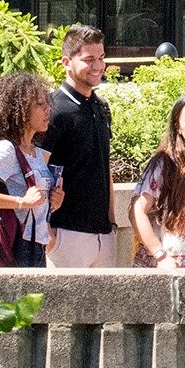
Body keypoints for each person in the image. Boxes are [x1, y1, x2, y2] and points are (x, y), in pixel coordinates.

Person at [0, 71, 61, 267]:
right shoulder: (6, 150)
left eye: (46, 102)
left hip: (37, 245)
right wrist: (22, 202)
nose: (47, 109)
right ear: (20, 109)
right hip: (18, 246)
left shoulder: (37, 153)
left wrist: (53, 201)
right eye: (39, 104)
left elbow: (36, 201)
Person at [40, 24, 121, 268]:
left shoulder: (101, 106)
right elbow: (36, 169)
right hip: (66, 234)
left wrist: (112, 222)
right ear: (66, 62)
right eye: (89, 60)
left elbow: (104, 167)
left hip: (104, 235)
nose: (98, 66)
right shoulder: (53, 110)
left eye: (101, 58)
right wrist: (48, 235)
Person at [131, 92, 185, 269]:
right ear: (177, 126)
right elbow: (137, 211)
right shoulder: (164, 164)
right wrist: (160, 255)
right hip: (169, 265)